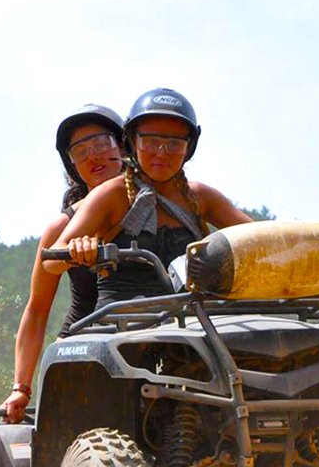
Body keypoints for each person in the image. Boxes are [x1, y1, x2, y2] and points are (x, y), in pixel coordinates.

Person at [44, 88, 252, 308]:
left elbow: (260, 237)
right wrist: (78, 249)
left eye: (174, 143)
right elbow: (52, 261)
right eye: (151, 141)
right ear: (133, 142)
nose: (162, 153)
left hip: (192, 325)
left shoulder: (201, 197)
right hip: (122, 327)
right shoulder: (111, 195)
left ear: (188, 147)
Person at [1, 104, 124, 423]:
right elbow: (37, 310)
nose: (93, 156)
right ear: (72, 166)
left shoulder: (165, 210)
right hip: (82, 348)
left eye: (100, 144)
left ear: (123, 147)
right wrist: (21, 388)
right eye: (80, 152)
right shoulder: (61, 231)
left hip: (160, 335)